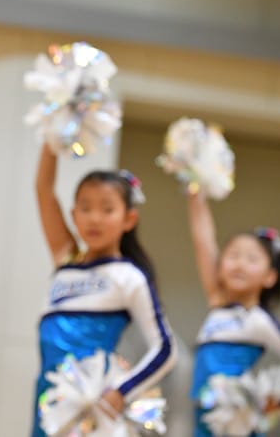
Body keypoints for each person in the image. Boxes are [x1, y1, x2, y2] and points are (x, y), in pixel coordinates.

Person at [33, 144, 176, 436]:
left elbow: (165, 348)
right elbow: (43, 190)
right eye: (85, 208)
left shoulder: (129, 276)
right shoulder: (66, 260)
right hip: (49, 400)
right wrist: (53, 133)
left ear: (128, 219)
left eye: (107, 209)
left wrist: (122, 390)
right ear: (73, 215)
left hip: (95, 409)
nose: (95, 218)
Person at [187, 192, 280, 436]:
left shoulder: (258, 320)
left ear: (270, 276)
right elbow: (203, 242)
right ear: (219, 268)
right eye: (232, 256)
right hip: (203, 415)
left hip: (236, 422)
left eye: (252, 259)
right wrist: (196, 196)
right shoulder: (218, 304)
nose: (239, 264)